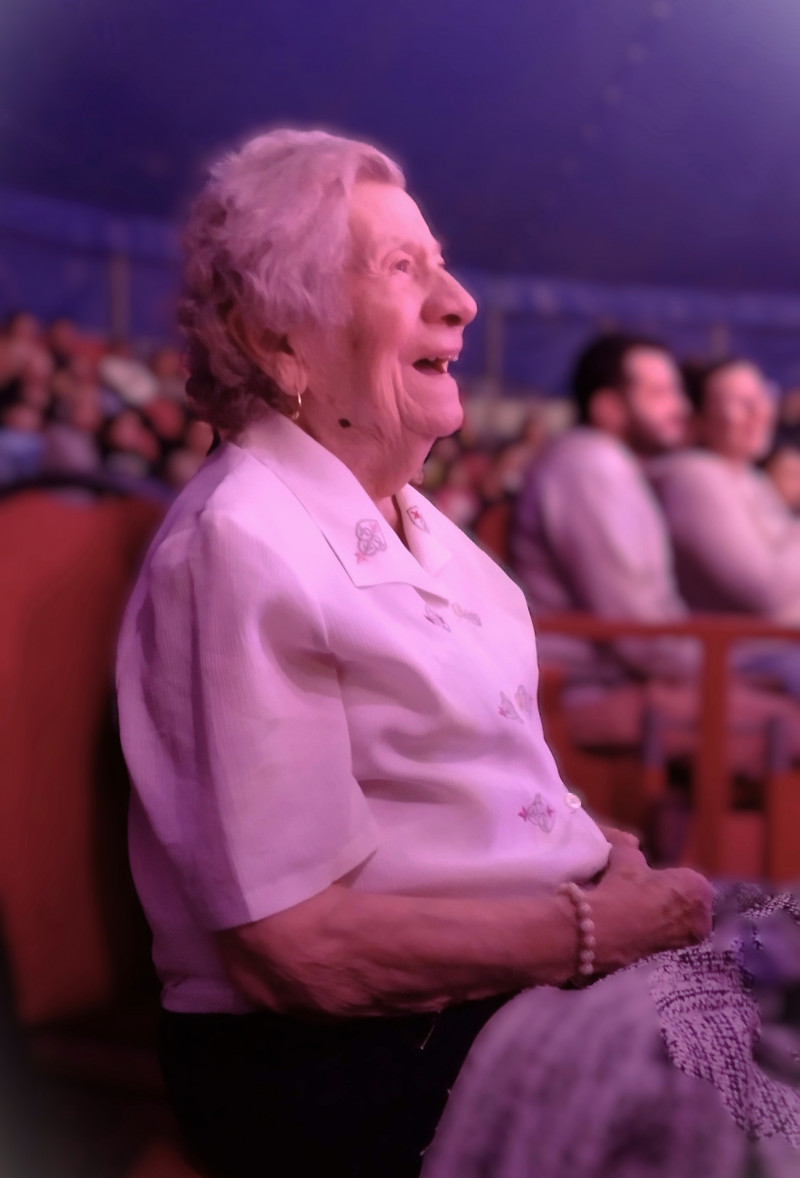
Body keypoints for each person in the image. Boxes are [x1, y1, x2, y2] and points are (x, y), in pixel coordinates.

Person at [119, 130, 791, 1178]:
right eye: (401, 268)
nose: (459, 301)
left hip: (498, 987)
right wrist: (592, 926)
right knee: (762, 1090)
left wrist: (602, 851)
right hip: (354, 1058)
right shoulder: (239, 541)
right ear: (276, 335)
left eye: (438, 262)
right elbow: (290, 947)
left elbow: (475, 799)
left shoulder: (419, 524)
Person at [510, 332, 698, 686]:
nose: (682, 408)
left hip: (621, 676)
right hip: (591, 685)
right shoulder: (591, 465)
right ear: (607, 408)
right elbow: (636, 633)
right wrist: (714, 663)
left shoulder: (609, 464)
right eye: (660, 394)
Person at [651, 359, 800, 621]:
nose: (759, 411)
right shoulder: (694, 476)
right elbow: (766, 590)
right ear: (696, 419)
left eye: (762, 396)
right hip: (744, 656)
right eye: (741, 403)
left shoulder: (750, 478)